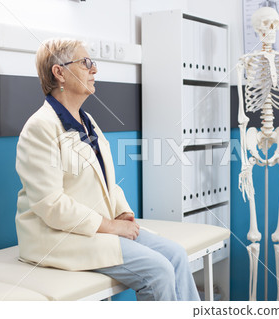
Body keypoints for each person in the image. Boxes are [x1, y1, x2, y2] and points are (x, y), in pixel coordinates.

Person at [15, 38, 200, 301]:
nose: (94, 70)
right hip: (57, 237)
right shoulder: (40, 127)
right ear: (59, 73)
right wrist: (109, 226)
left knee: (177, 256)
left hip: (93, 229)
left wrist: (122, 212)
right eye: (85, 63)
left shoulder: (86, 121)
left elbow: (105, 181)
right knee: (159, 271)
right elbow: (51, 205)